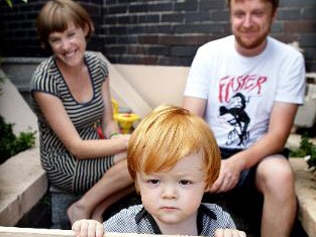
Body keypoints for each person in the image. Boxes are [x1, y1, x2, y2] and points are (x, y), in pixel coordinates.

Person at [182, 0, 306, 236]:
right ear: (230, 15)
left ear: (273, 14)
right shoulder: (209, 53)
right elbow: (190, 120)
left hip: (259, 153)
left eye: (257, 13)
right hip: (209, 147)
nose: (247, 23)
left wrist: (237, 163)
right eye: (240, 14)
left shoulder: (290, 59)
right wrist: (210, 160)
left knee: (280, 175)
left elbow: (278, 135)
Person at [31, 0, 134, 227]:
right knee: (140, 159)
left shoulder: (97, 66)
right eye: (56, 40)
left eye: (71, 34)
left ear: (85, 29)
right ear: (48, 42)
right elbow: (76, 147)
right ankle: (81, 208)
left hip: (94, 149)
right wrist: (129, 142)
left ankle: (95, 209)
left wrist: (117, 138)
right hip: (65, 161)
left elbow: (108, 122)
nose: (66, 46)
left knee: (146, 160)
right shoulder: (45, 80)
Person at [72, 105, 247, 237]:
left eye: (184, 182)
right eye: (154, 181)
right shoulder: (126, 224)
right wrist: (92, 232)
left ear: (207, 180)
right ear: (138, 182)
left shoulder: (217, 223)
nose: (169, 194)